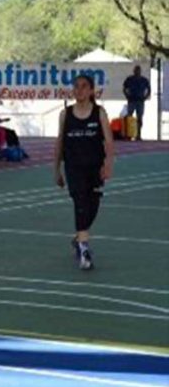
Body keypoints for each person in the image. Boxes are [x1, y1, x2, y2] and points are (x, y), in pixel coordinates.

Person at [54, 74, 114, 270]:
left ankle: (79, 237)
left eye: (83, 86)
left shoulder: (99, 113)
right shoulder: (66, 114)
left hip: (94, 167)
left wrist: (108, 164)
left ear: (91, 90)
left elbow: (109, 141)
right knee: (80, 202)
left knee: (92, 206)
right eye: (76, 86)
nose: (79, 90)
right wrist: (56, 170)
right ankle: (84, 249)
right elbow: (59, 142)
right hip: (74, 168)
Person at [122, 65, 151, 140]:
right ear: (133, 71)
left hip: (140, 101)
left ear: (140, 71)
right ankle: (129, 135)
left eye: (138, 70)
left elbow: (149, 89)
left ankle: (138, 134)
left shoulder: (144, 80)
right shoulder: (129, 79)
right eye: (136, 70)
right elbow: (124, 88)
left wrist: (145, 97)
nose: (137, 72)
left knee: (140, 118)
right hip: (131, 100)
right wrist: (127, 96)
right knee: (130, 118)